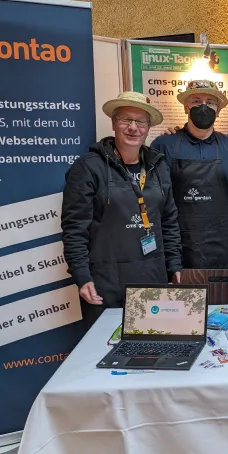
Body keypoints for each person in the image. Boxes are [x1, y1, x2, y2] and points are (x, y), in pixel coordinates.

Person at [61, 91, 182, 329]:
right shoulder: (88, 168)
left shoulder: (158, 167)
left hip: (152, 276)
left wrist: (175, 266)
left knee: (152, 345)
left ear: (148, 128)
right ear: (114, 123)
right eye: (126, 120)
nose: (133, 128)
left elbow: (169, 221)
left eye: (140, 122)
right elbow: (75, 227)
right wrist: (82, 275)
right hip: (106, 280)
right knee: (105, 349)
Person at [151, 80, 228, 269]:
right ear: (185, 107)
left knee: (227, 297)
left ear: (218, 109)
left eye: (210, 102)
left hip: (224, 244)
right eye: (196, 101)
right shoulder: (163, 145)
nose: (203, 106)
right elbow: (154, 199)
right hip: (180, 246)